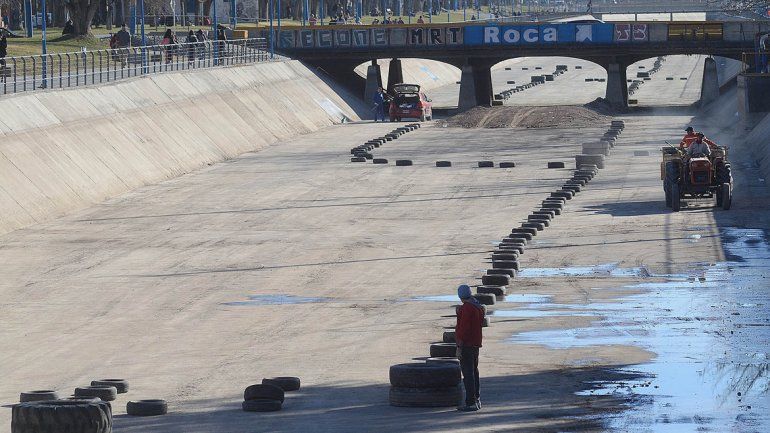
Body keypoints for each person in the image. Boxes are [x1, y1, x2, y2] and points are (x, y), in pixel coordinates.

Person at [455, 284, 484, 412]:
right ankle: (477, 399)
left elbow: (464, 329)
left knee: (468, 374)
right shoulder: (477, 306)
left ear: (460, 297)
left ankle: (470, 402)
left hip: (466, 344)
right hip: (475, 344)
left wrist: (459, 346)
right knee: (474, 372)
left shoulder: (467, 309)